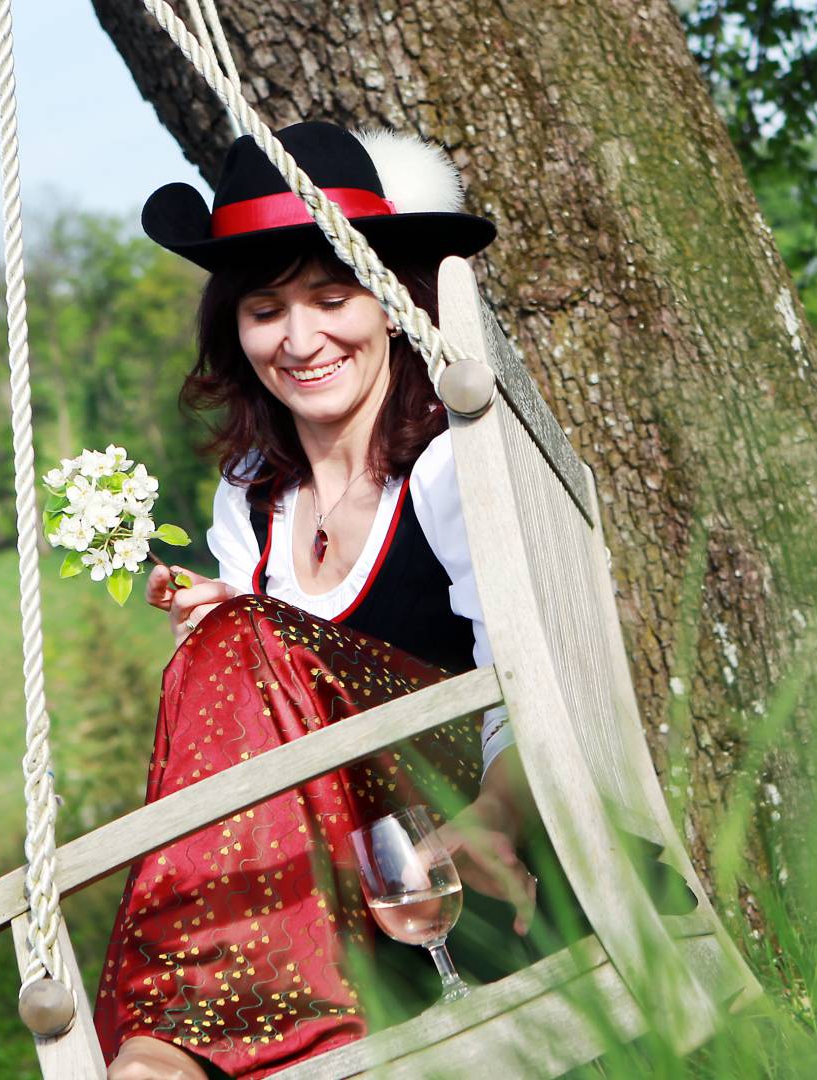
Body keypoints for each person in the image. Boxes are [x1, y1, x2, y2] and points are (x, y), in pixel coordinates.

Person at [93, 121, 539, 1080]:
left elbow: (526, 688)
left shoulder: (449, 463)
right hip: (331, 872)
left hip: (455, 813)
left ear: (387, 304)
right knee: (234, 630)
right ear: (235, 327)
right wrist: (228, 628)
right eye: (265, 309)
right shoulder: (251, 495)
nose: (300, 340)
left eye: (331, 298)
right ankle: (189, 1035)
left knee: (246, 630)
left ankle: (173, 1045)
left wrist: (496, 817)